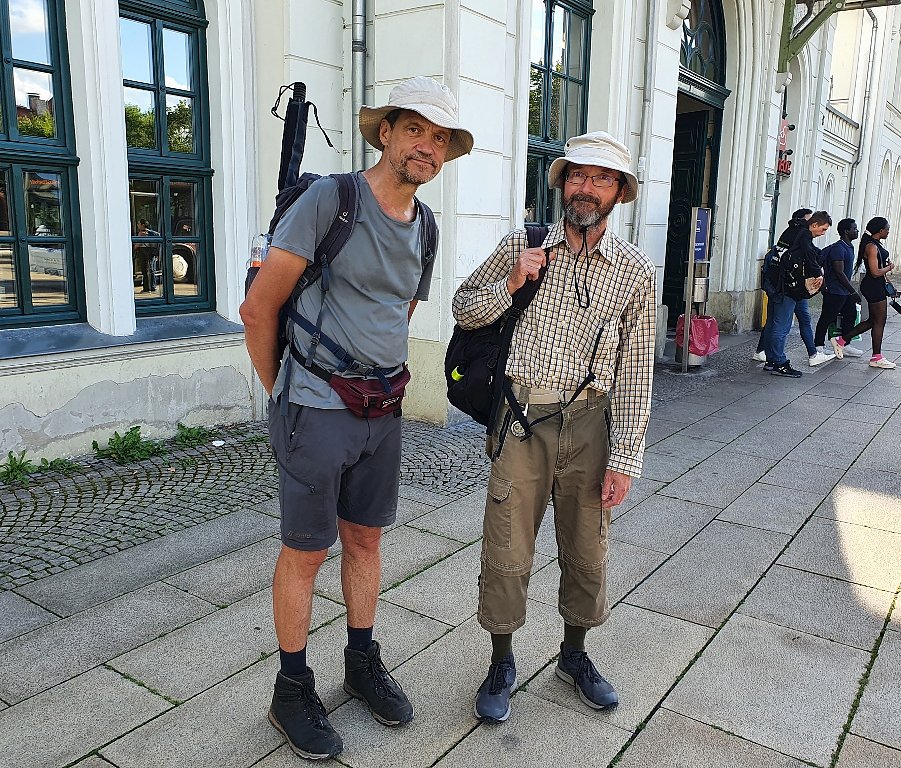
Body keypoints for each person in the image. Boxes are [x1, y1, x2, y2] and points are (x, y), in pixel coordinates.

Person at [240, 76, 473, 760]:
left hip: (382, 411)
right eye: (414, 129)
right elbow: (259, 309)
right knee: (307, 551)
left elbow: (396, 314)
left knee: (366, 542)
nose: (426, 146)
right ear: (386, 133)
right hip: (315, 409)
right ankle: (290, 689)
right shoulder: (331, 201)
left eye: (439, 138)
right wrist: (284, 394)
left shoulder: (425, 227)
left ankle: (361, 661)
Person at [452, 132, 655, 722]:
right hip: (521, 421)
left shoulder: (635, 271)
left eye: (601, 179)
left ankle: (574, 654)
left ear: (619, 193)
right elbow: (464, 309)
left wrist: (626, 457)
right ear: (563, 183)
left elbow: (637, 369)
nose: (586, 188)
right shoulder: (524, 244)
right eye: (577, 176)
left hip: (590, 423)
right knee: (506, 546)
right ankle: (501, 660)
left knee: (588, 547)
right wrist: (511, 283)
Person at [753, 208, 831, 367]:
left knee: (773, 323)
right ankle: (778, 362)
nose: (823, 233)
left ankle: (771, 360)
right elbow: (809, 256)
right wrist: (819, 274)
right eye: (823, 229)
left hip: (775, 283)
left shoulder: (791, 231)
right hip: (787, 287)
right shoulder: (804, 234)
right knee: (781, 326)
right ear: (814, 225)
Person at [831, 217, 896, 368]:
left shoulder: (875, 244)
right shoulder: (871, 246)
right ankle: (876, 357)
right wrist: (890, 267)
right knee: (879, 321)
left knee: (872, 321)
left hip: (877, 285)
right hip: (873, 286)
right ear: (880, 230)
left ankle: (841, 340)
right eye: (887, 229)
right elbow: (875, 272)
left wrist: (888, 282)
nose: (888, 232)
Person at [814, 219, 865, 357]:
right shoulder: (839, 248)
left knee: (850, 315)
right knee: (827, 318)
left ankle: (844, 344)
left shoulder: (849, 246)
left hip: (844, 291)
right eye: (854, 228)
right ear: (846, 231)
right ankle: (818, 347)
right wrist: (852, 291)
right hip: (835, 291)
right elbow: (839, 272)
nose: (857, 231)